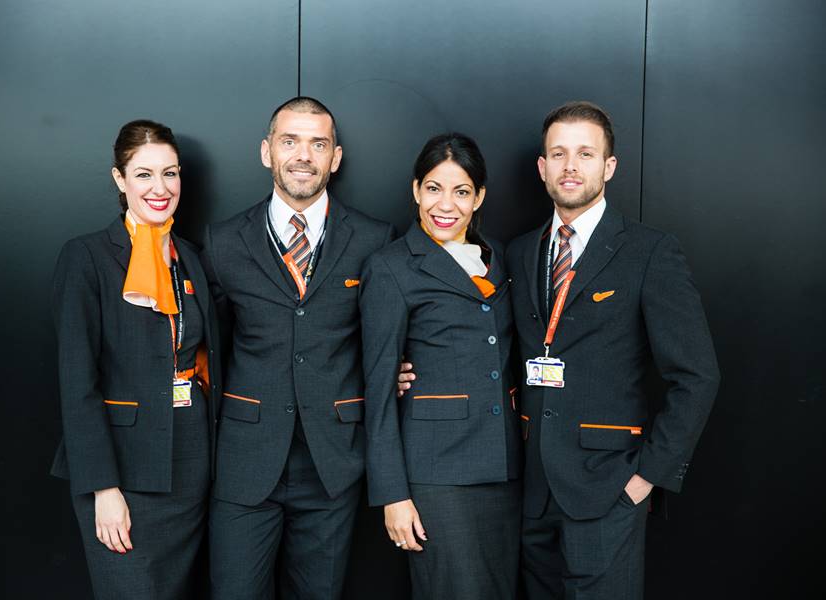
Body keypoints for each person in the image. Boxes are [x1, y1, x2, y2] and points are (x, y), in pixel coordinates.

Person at [506, 101, 720, 599]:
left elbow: (697, 376)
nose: (570, 166)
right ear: (542, 168)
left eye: (585, 153)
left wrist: (645, 478)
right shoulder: (520, 251)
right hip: (532, 491)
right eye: (558, 154)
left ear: (610, 166)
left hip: (608, 489)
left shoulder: (649, 252)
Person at [201, 97, 395, 600]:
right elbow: (211, 346)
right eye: (290, 141)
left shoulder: (374, 239)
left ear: (336, 157)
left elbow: (385, 338)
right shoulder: (222, 242)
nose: (303, 155)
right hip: (244, 461)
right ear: (267, 151)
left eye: (318, 143)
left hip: (333, 463)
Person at [50, 119, 221, 598]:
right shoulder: (86, 257)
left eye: (170, 173)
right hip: (121, 470)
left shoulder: (190, 258)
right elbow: (77, 383)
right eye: (143, 174)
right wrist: (103, 489)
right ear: (119, 180)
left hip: (189, 464)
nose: (160, 188)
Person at [360, 133, 523, 599]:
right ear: (415, 190)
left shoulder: (500, 256)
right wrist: (393, 494)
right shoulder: (391, 267)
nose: (445, 204)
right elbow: (378, 388)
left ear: (480, 198)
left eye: (461, 191)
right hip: (437, 475)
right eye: (433, 188)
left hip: (505, 469)